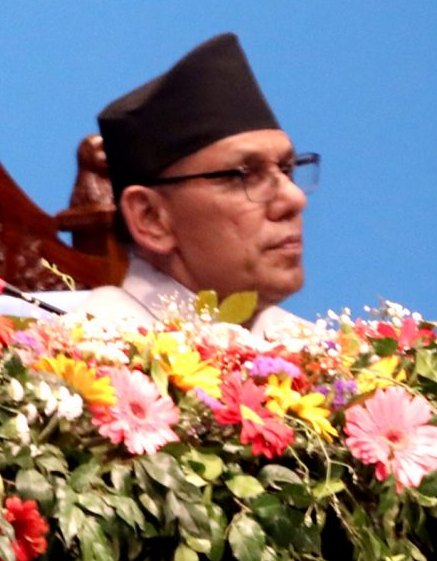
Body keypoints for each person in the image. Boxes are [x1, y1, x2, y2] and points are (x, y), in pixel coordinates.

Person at [88, 33, 314, 336]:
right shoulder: (97, 354)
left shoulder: (321, 354)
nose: (294, 198)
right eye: (246, 174)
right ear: (150, 218)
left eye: (287, 170)